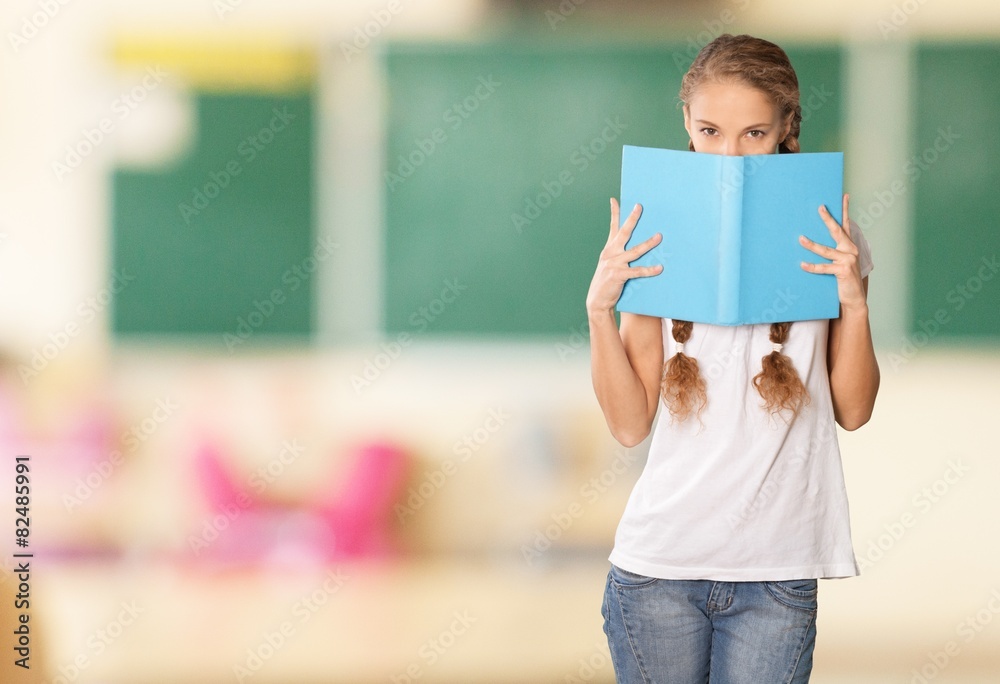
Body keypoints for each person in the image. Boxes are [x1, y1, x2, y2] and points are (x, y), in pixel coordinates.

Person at [587, 34, 879, 683]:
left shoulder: (836, 236)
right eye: (711, 130)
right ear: (686, 124)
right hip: (659, 569)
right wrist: (599, 311)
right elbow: (631, 424)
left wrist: (854, 304)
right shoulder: (652, 232)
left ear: (786, 129)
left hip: (777, 571)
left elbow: (854, 410)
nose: (729, 152)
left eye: (753, 133)